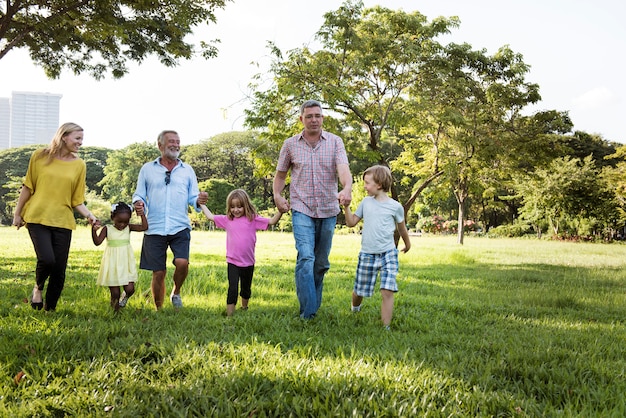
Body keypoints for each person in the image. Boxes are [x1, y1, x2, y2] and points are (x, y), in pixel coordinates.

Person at [273, 100, 352, 319]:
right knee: (306, 258)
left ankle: (312, 306)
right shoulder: (290, 144)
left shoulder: (335, 142)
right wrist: (278, 195)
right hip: (301, 207)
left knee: (321, 263)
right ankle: (308, 313)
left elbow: (343, 169)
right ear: (301, 119)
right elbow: (280, 175)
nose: (314, 120)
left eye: (317, 115)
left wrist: (346, 188)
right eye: (309, 116)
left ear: (323, 118)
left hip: (328, 209)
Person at [12, 122, 99, 311]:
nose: (80, 143)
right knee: (47, 260)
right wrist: (18, 214)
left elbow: (77, 200)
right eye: (77, 138)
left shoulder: (79, 165)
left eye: (82, 139)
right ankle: (38, 287)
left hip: (63, 221)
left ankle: (50, 309)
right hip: (37, 217)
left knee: (59, 269)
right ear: (64, 137)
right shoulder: (39, 156)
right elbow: (28, 186)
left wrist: (90, 216)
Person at [132, 130, 208, 310]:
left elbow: (193, 197)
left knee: (182, 262)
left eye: (177, 141)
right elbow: (139, 194)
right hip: (154, 227)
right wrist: (138, 203)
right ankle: (159, 309)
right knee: (158, 272)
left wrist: (199, 200)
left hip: (179, 226)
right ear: (160, 146)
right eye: (171, 142)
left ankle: (176, 292)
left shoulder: (187, 170)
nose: (175, 145)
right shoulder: (147, 169)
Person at [343, 165, 411, 330]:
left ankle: (385, 327)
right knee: (360, 290)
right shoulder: (366, 203)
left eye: (367, 183)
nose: (365, 186)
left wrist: (407, 244)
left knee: (387, 290)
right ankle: (355, 308)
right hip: (368, 253)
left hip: (388, 253)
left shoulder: (395, 206)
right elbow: (351, 222)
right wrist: (345, 207)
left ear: (379, 184)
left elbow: (402, 228)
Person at [199, 189, 283, 316]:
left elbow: (271, 222)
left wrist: (281, 211)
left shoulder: (253, 219)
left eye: (239, 206)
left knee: (246, 288)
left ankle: (244, 307)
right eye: (232, 207)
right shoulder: (227, 219)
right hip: (232, 261)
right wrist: (201, 204)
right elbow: (210, 217)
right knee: (232, 288)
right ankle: (229, 315)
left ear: (246, 206)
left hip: (248, 262)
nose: (236, 210)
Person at [92, 202, 148, 312]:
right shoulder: (107, 229)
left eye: (126, 222)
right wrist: (93, 231)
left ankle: (125, 297)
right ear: (112, 217)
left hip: (125, 263)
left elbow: (144, 227)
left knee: (130, 289)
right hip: (112, 264)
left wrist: (142, 214)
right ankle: (115, 313)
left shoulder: (129, 228)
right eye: (119, 221)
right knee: (115, 293)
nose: (122, 224)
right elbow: (97, 242)